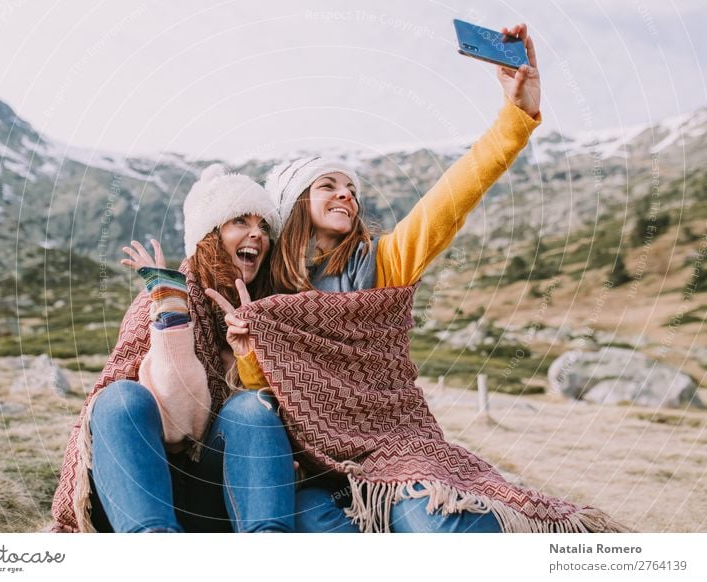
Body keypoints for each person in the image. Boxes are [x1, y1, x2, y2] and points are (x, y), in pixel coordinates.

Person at [214, 24, 623, 533]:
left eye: (351, 189)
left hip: (396, 447)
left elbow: (453, 196)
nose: (346, 195)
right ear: (295, 201)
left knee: (437, 527)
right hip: (318, 466)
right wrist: (249, 351)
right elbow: (268, 393)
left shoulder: (381, 264)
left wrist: (515, 116)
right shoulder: (268, 292)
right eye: (328, 185)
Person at [47, 164, 297, 533]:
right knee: (120, 399)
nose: (257, 234)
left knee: (251, 408)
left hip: (214, 496)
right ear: (209, 236)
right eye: (240, 221)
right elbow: (180, 427)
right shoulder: (163, 297)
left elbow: (281, 416)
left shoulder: (271, 309)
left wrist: (246, 352)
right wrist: (171, 312)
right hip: (135, 488)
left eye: (264, 227)